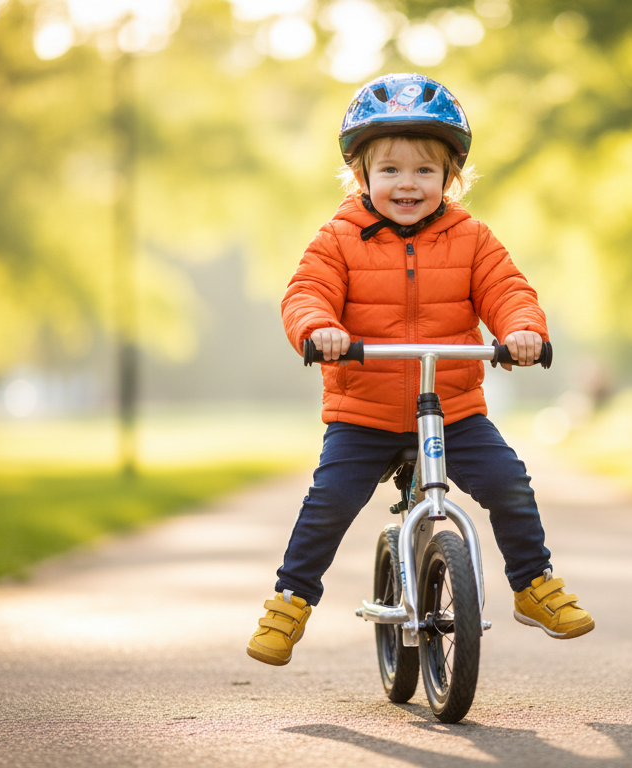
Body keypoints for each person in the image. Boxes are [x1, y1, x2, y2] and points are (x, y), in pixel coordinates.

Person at [247, 73, 594, 667]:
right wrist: (318, 329)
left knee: (509, 482)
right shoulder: (338, 239)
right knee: (329, 501)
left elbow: (508, 290)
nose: (407, 183)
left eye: (424, 170)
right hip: (365, 413)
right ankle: (291, 601)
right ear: (361, 175)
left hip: (453, 409)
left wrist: (522, 332)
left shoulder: (473, 238)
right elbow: (306, 293)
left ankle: (532, 583)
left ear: (450, 176)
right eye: (390, 170)